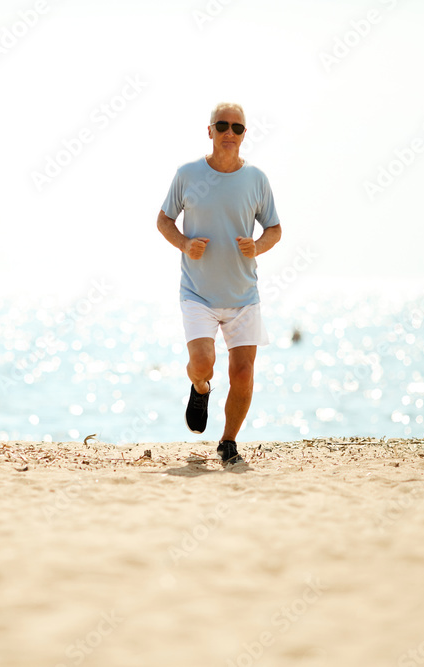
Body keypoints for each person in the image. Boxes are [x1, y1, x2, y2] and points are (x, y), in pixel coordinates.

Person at [156, 102, 282, 465]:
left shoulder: (256, 179)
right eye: (223, 126)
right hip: (198, 293)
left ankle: (228, 441)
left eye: (237, 128)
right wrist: (183, 243)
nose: (230, 133)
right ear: (209, 131)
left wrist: (257, 246)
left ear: (244, 135)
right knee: (203, 363)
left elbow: (274, 229)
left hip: (244, 295)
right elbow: (164, 220)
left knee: (242, 372)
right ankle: (200, 387)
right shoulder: (188, 174)